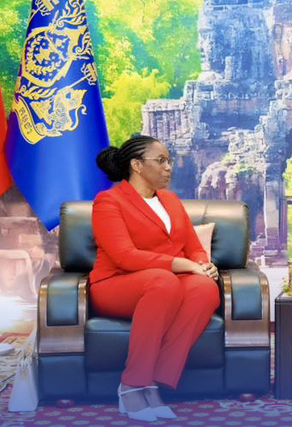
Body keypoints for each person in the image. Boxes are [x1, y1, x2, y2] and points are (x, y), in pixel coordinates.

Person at [90, 135, 220, 422]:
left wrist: (203, 265)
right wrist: (182, 264)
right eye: (161, 160)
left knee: (205, 288)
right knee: (163, 282)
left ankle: (154, 381)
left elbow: (192, 245)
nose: (169, 167)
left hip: (165, 282)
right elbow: (124, 256)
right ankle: (132, 384)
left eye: (169, 161)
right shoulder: (108, 201)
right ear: (136, 165)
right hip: (116, 283)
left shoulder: (171, 200)